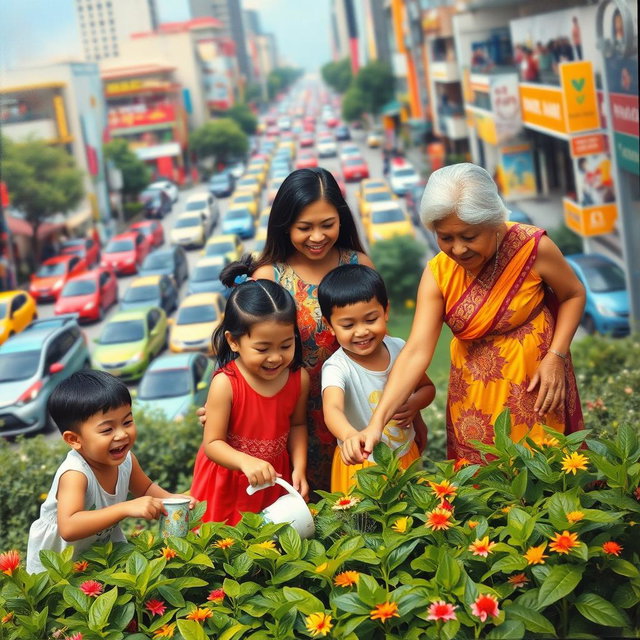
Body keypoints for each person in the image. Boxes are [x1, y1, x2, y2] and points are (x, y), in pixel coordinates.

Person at [344, 163, 586, 465]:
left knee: (547, 477)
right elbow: (417, 350)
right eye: (445, 238)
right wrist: (376, 423)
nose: (458, 250)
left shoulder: (533, 248)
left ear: (495, 223)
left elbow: (573, 294)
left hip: (536, 392)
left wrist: (556, 356)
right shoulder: (438, 274)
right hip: (475, 403)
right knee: (483, 491)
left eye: (469, 237)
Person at [250, 167, 374, 492]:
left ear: (342, 220)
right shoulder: (269, 278)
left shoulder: (358, 265)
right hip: (293, 422)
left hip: (358, 410)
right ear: (285, 225)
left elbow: (381, 338)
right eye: (304, 227)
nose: (317, 237)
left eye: (327, 225)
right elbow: (247, 349)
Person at [26, 371, 193, 574]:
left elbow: (146, 488)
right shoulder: (75, 474)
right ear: (74, 440)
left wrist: (174, 500)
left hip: (99, 554)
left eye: (127, 422)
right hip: (60, 566)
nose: (122, 434)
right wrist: (124, 508)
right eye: (107, 430)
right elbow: (69, 528)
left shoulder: (126, 461)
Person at [190, 257, 310, 525]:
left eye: (285, 345)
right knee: (225, 548)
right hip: (228, 481)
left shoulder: (297, 378)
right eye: (262, 348)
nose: (275, 358)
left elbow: (298, 424)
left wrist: (299, 467)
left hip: (274, 477)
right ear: (233, 341)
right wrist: (246, 462)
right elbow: (213, 444)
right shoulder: (226, 383)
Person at [318, 264, 434, 493]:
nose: (361, 332)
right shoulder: (336, 367)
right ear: (329, 325)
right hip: (360, 464)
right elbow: (332, 409)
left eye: (371, 319)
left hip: (403, 452)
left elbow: (427, 388)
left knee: (411, 518)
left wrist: (414, 406)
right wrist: (349, 435)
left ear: (386, 311)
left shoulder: (400, 349)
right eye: (348, 325)